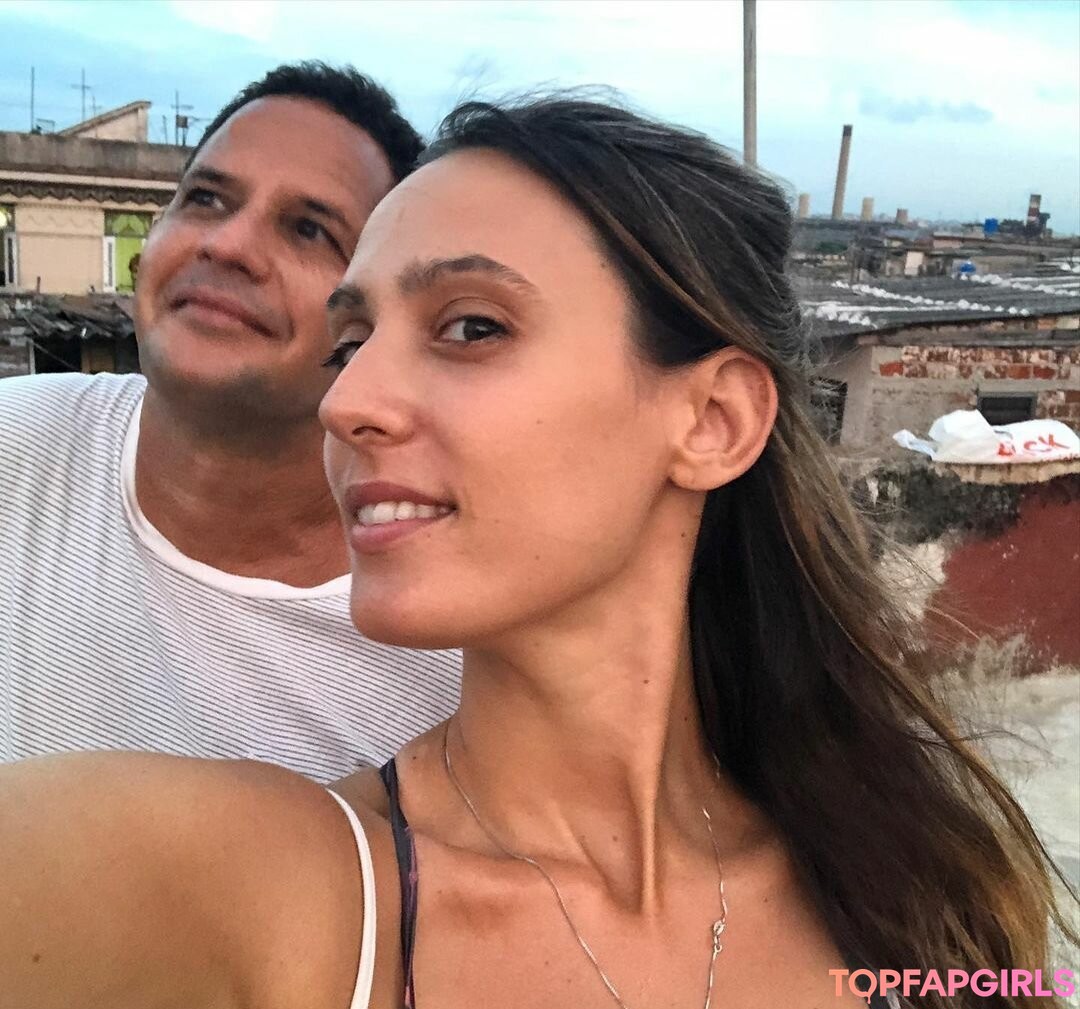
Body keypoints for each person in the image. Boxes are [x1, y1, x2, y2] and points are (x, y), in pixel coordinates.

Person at [0, 96, 1073, 1009]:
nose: (349, 400)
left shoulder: (926, 885)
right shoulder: (261, 886)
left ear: (712, 421)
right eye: (349, 344)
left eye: (471, 327)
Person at [0, 63, 460, 781]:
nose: (229, 246)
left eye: (308, 229)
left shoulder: (452, 649)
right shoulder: (19, 445)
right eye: (206, 199)